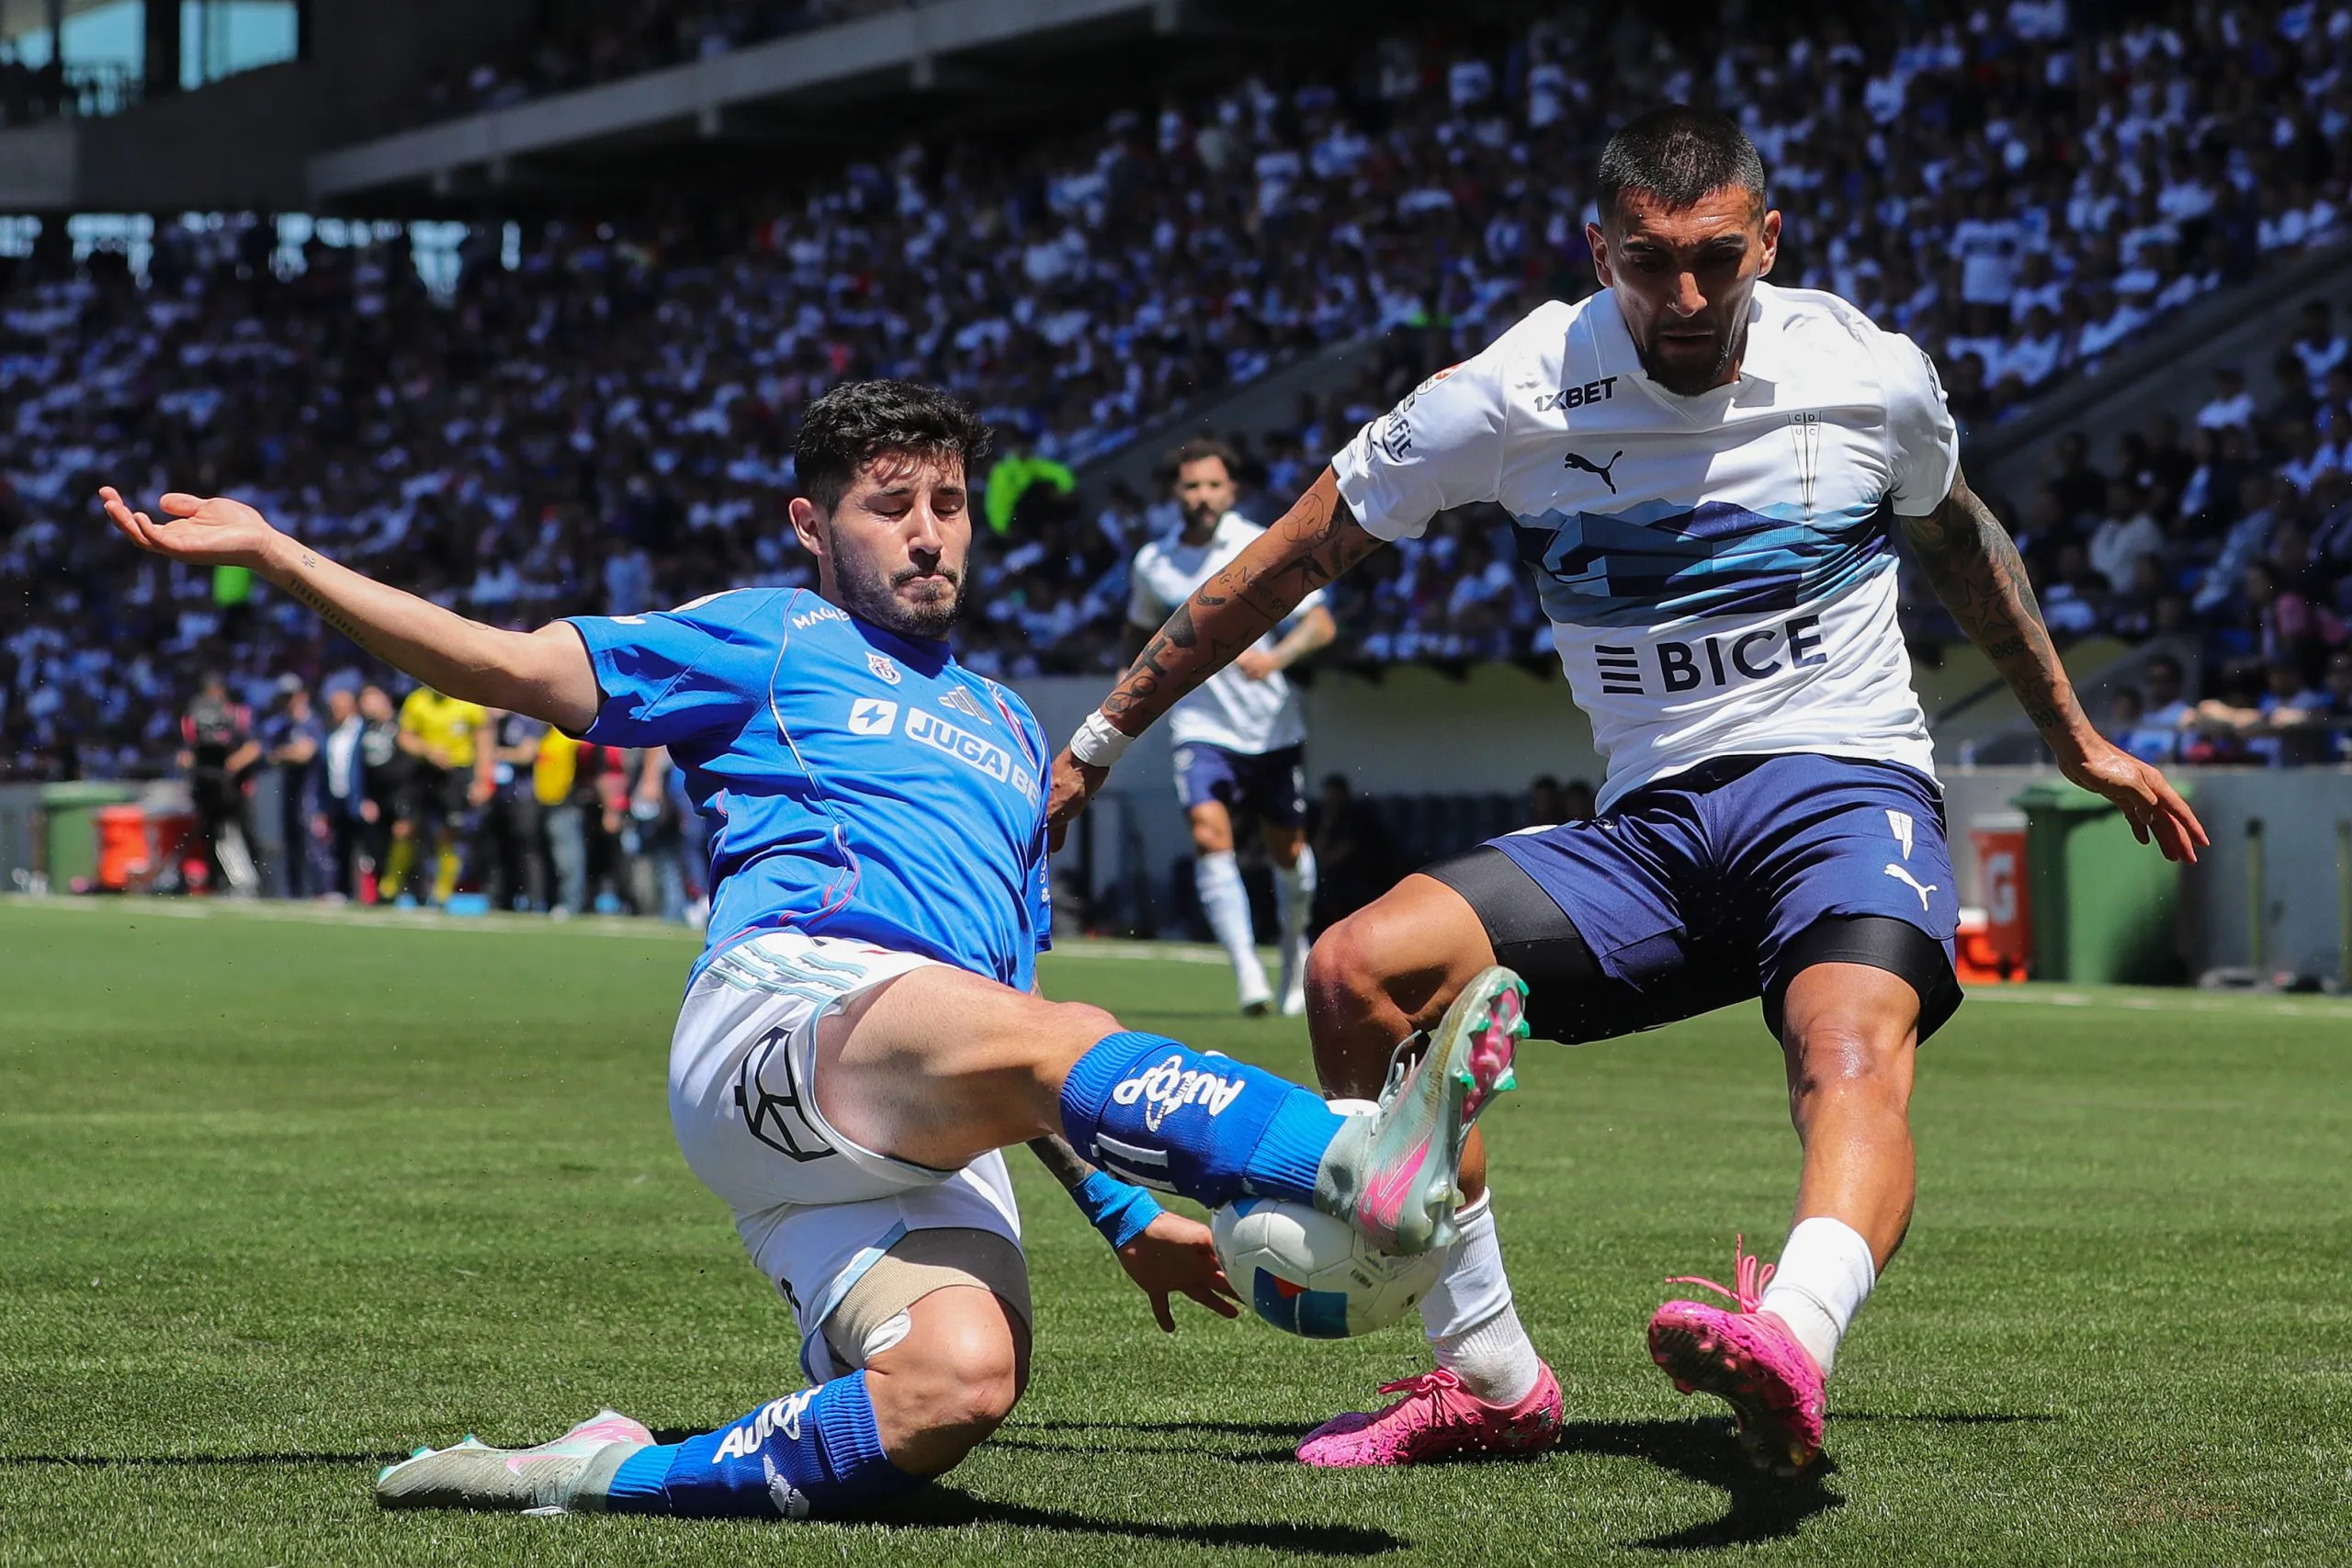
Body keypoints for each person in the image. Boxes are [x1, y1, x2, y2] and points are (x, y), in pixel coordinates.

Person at [96, 378, 1519, 1522]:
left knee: (954, 1389)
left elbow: (1013, 1033)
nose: (927, 533)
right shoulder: (765, 640)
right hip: (790, 1017)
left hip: (929, 1108)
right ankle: (1342, 1158)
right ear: (811, 525)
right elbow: (513, 667)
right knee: (1054, 1024)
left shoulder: (1017, 732)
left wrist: (1123, 1218)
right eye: (889, 506)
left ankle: (588, 1469)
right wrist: (280, 557)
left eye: (948, 505)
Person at [1047, 107, 2206, 1476]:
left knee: (1845, 1048)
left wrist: (2072, 734)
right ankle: (1486, 1376)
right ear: (1598, 252)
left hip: (1841, 788)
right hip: (1647, 829)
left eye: (1720, 257)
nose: (1689, 295)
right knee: (1357, 968)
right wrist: (1102, 735)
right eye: (1651, 262)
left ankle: (1794, 1340)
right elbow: (1294, 553)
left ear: (1768, 239)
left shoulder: (1871, 375)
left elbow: (1962, 537)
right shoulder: (1514, 389)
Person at [1128, 438, 1338, 1014]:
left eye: (1213, 485)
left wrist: (1274, 659)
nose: (1202, 496)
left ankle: (1295, 955)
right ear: (1176, 492)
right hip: (1200, 723)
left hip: (1269, 726)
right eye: (1192, 486)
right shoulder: (1154, 563)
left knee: (1288, 852)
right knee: (1207, 834)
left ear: (1231, 491)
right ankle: (1248, 975)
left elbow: (1320, 624)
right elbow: (1139, 633)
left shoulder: (1258, 544)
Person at [391, 682, 492, 907]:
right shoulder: (418, 700)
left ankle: (442, 894)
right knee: (406, 828)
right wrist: (428, 750)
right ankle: (390, 888)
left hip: (457, 774)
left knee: (449, 833)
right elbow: (404, 737)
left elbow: (484, 741)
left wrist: (482, 779)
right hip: (423, 772)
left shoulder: (468, 700)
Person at [179, 671, 260, 895]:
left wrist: (232, 764)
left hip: (235, 787)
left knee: (246, 834)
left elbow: (253, 747)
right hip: (206, 785)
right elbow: (188, 752)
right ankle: (217, 882)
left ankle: (255, 882)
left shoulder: (238, 715)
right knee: (210, 835)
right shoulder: (193, 717)